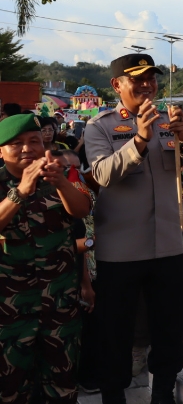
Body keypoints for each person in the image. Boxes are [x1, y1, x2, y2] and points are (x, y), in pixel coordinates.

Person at [85, 54, 183, 403]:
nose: (146, 85)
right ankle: (114, 395)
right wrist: (138, 140)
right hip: (120, 252)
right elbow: (102, 174)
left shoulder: (170, 120)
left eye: (151, 78)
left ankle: (163, 392)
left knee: (169, 330)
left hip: (168, 246)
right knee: (116, 333)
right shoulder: (100, 127)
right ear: (117, 85)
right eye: (137, 79)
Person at [0, 114, 93, 403]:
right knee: (11, 388)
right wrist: (20, 193)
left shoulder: (56, 177)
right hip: (11, 312)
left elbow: (82, 210)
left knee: (62, 384)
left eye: (34, 141)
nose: (27, 149)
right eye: (16, 143)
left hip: (60, 304)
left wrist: (61, 182)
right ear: (1, 151)